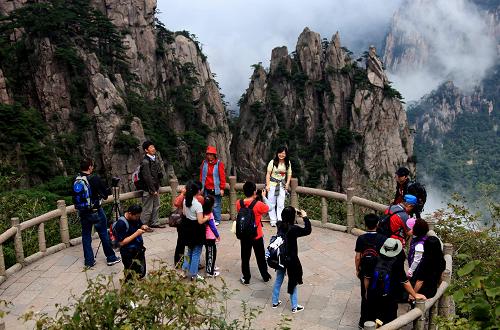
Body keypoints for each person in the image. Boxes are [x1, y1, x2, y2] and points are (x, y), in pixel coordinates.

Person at [367, 238, 426, 324]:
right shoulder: (396, 263)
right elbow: (405, 282)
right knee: (389, 319)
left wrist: (366, 291)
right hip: (390, 297)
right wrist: (414, 295)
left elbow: (367, 278)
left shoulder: (374, 259)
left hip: (374, 294)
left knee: (374, 317)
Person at [75, 159, 121, 268]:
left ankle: (89, 261)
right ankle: (111, 258)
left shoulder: (76, 179)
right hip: (96, 211)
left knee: (86, 236)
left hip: (83, 212)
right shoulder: (94, 178)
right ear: (90, 167)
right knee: (103, 234)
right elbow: (105, 195)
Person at [271, 206, 311, 313]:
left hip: (281, 258)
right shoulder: (294, 229)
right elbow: (308, 230)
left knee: (279, 279)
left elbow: (285, 219)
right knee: (293, 281)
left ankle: (274, 301)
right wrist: (304, 217)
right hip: (291, 259)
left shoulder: (279, 225)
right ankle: (294, 306)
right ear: (292, 217)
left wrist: (292, 212)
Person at [354, 214, 387, 328]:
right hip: (379, 272)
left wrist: (358, 270)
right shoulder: (383, 238)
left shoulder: (361, 238)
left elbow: (358, 257)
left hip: (365, 271)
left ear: (365, 224)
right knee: (378, 296)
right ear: (377, 224)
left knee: (365, 295)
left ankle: (364, 321)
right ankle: (377, 322)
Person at [237, 181, 272, 285]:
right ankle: (265, 276)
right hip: (257, 235)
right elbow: (269, 207)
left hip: (244, 235)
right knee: (260, 257)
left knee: (245, 257)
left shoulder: (239, 203)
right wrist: (263, 196)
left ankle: (246, 278)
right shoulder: (259, 205)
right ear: (254, 191)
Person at [181, 181, 210, 281]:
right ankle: (194, 274)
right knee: (196, 252)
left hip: (188, 227)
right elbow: (200, 221)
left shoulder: (185, 201)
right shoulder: (197, 204)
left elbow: (184, 213)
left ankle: (183, 271)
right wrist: (207, 217)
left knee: (189, 251)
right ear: (198, 191)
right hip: (197, 229)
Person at [113, 205, 149, 282]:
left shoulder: (136, 216)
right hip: (128, 252)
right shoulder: (121, 223)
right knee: (130, 272)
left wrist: (143, 226)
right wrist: (136, 233)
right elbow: (121, 243)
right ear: (130, 213)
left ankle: (138, 280)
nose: (137, 218)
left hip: (138, 248)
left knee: (140, 269)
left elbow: (139, 223)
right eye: (136, 217)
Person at [173, 183, 204, 267]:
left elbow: (176, 203)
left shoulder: (188, 199)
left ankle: (180, 263)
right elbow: (176, 203)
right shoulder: (194, 200)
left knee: (183, 243)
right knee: (192, 247)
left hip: (184, 222)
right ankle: (193, 266)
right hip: (191, 223)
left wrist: (182, 194)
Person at [140, 140, 165, 229]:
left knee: (156, 206)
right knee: (147, 208)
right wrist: (152, 190)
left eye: (153, 146)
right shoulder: (145, 162)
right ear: (146, 150)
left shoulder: (154, 159)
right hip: (149, 189)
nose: (153, 148)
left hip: (156, 187)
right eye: (151, 147)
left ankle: (155, 222)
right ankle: (144, 226)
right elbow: (147, 178)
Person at [265, 146, 292, 227]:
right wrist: (268, 185)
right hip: (272, 184)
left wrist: (287, 183)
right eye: (280, 153)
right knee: (271, 203)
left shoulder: (287, 163)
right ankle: (273, 220)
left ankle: (280, 220)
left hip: (282, 185)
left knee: (281, 204)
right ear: (277, 153)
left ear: (286, 154)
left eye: (283, 153)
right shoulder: (272, 162)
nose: (281, 155)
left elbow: (289, 174)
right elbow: (268, 174)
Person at [200, 146, 226, 226]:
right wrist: (201, 187)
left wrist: (222, 188)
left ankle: (217, 219)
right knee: (207, 204)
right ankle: (209, 218)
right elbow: (201, 175)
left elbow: (222, 176)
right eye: (208, 154)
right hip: (206, 187)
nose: (209, 156)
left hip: (216, 188)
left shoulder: (219, 164)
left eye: (211, 154)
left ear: (214, 155)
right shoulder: (204, 163)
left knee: (216, 204)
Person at [203, 196, 221, 277]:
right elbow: (212, 227)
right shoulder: (209, 214)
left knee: (211, 252)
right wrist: (217, 235)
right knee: (211, 253)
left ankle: (211, 267)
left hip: (206, 236)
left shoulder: (203, 212)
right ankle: (209, 272)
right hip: (210, 237)